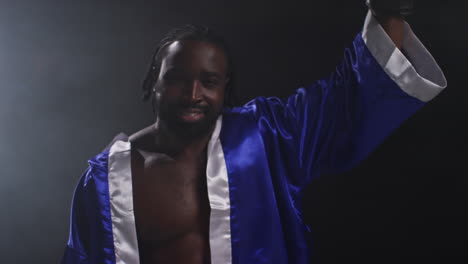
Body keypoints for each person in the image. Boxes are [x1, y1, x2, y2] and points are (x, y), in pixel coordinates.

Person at [61, 1, 447, 263]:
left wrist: (389, 11)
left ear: (224, 89)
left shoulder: (265, 137)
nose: (194, 94)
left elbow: (347, 100)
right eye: (178, 79)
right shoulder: (106, 180)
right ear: (153, 81)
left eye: (208, 81)